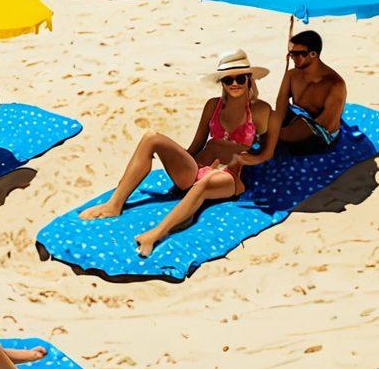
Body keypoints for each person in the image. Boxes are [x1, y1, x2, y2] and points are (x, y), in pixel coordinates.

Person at [79, 50, 273, 256]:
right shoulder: (213, 105)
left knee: (206, 182)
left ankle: (156, 234)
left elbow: (265, 153)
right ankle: (114, 204)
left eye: (241, 78)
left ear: (250, 80)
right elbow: (196, 146)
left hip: (230, 178)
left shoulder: (261, 111)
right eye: (228, 79)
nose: (234, 83)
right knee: (151, 137)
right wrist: (177, 158)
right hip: (196, 169)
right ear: (222, 82)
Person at [246, 30, 346, 157]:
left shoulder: (335, 84)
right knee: (262, 112)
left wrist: (278, 135)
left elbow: (327, 124)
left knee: (298, 129)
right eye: (291, 53)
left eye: (298, 54)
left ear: (313, 54)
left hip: (321, 133)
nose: (292, 57)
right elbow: (281, 107)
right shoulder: (292, 75)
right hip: (296, 119)